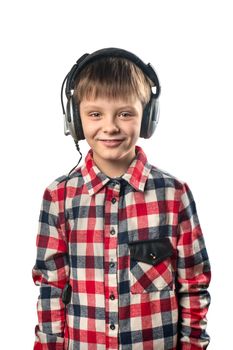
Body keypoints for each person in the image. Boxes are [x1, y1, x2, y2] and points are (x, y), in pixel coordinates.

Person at [32, 48, 211, 350]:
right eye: (95, 114)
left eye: (125, 114)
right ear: (75, 120)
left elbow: (194, 284)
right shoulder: (59, 197)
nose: (111, 126)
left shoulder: (174, 195)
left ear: (148, 118)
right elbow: (51, 286)